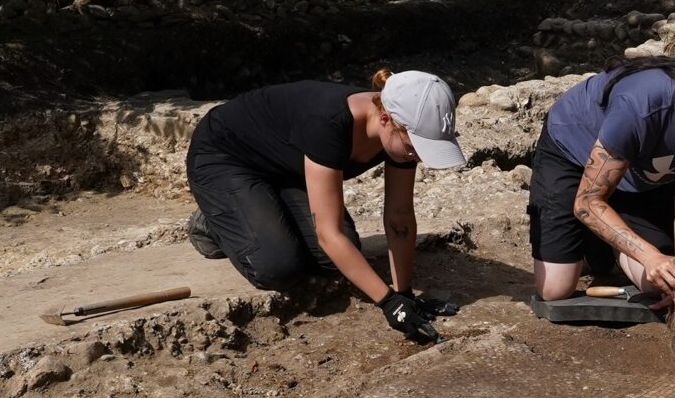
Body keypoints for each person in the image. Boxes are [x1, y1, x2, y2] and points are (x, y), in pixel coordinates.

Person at [184, 69, 465, 344]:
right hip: (224, 158)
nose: (417, 156)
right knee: (278, 267)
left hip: (285, 168)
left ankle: (262, 205)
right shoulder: (329, 123)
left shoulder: (396, 135)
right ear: (385, 119)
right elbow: (328, 234)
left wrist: (405, 295)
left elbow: (399, 214)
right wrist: (388, 302)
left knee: (333, 261)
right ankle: (213, 222)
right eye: (415, 147)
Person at [527, 51, 675, 306]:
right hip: (573, 154)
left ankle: (607, 239)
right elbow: (587, 203)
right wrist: (649, 256)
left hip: (638, 176)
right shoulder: (638, 108)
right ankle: (590, 242)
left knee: (657, 284)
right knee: (555, 289)